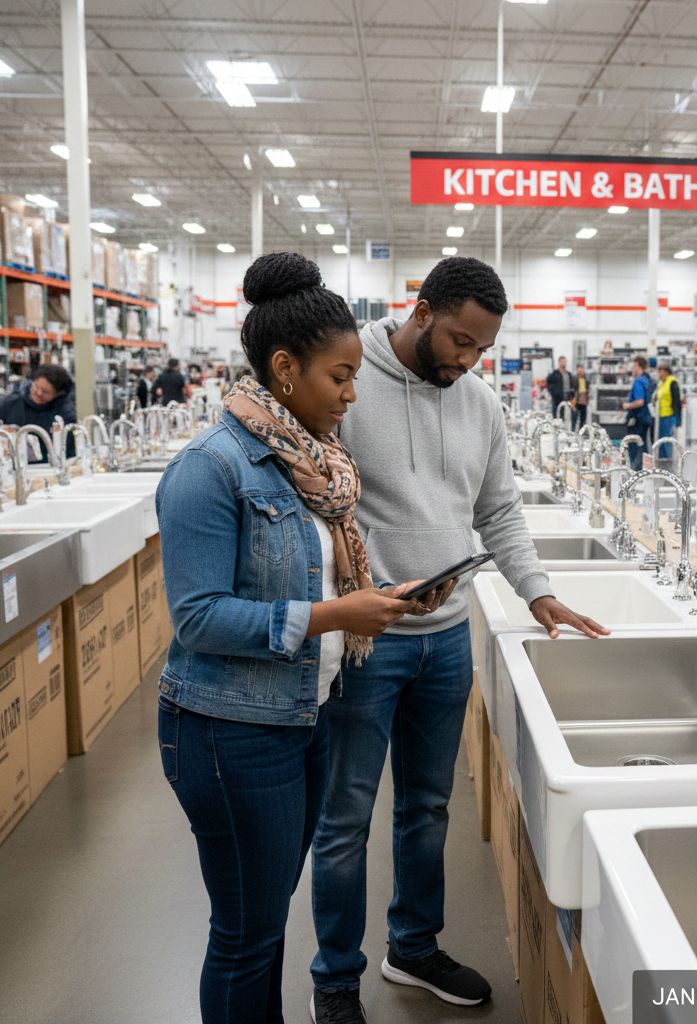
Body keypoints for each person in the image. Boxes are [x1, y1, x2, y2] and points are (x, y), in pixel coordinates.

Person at [310, 256, 608, 1023]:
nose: (469, 360)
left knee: (428, 807)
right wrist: (361, 591)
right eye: (460, 341)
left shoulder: (479, 403)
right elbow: (314, 503)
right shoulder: (348, 382)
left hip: (445, 639)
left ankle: (413, 946)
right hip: (369, 638)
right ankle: (334, 979)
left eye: (483, 349)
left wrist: (538, 592)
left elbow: (497, 510)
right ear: (422, 312)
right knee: (345, 818)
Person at [155, 252, 441, 1024]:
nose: (352, 395)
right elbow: (198, 618)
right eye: (339, 377)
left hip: (301, 716)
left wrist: (375, 599)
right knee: (246, 933)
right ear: (284, 369)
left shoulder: (307, 463)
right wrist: (336, 617)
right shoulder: (211, 469)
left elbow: (311, 581)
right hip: (228, 730)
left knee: (267, 916)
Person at [0, 364, 76, 462]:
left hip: (48, 466)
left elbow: (69, 453)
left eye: (45, 391)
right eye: (36, 386)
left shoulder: (65, 415)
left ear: (58, 393)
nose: (39, 393)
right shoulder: (10, 404)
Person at [622, 355, 654, 470]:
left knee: (635, 446)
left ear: (638, 367)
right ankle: (643, 470)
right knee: (643, 446)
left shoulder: (638, 381)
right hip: (646, 418)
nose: (632, 369)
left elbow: (640, 401)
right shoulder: (647, 380)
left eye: (633, 366)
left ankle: (634, 471)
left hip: (638, 419)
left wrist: (627, 405)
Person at [654, 362, 682, 459]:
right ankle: (662, 459)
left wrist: (676, 416)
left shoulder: (672, 382)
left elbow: (676, 400)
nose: (658, 374)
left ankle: (668, 459)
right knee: (660, 439)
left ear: (666, 372)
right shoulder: (661, 383)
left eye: (660, 372)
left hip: (669, 415)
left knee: (667, 439)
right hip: (661, 415)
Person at [572, 363, 590, 430]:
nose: (580, 371)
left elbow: (588, 388)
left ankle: (582, 430)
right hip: (576, 400)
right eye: (579, 369)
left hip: (584, 400)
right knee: (574, 417)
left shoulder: (586, 379)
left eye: (582, 369)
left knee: (583, 418)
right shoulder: (574, 378)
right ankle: (573, 430)